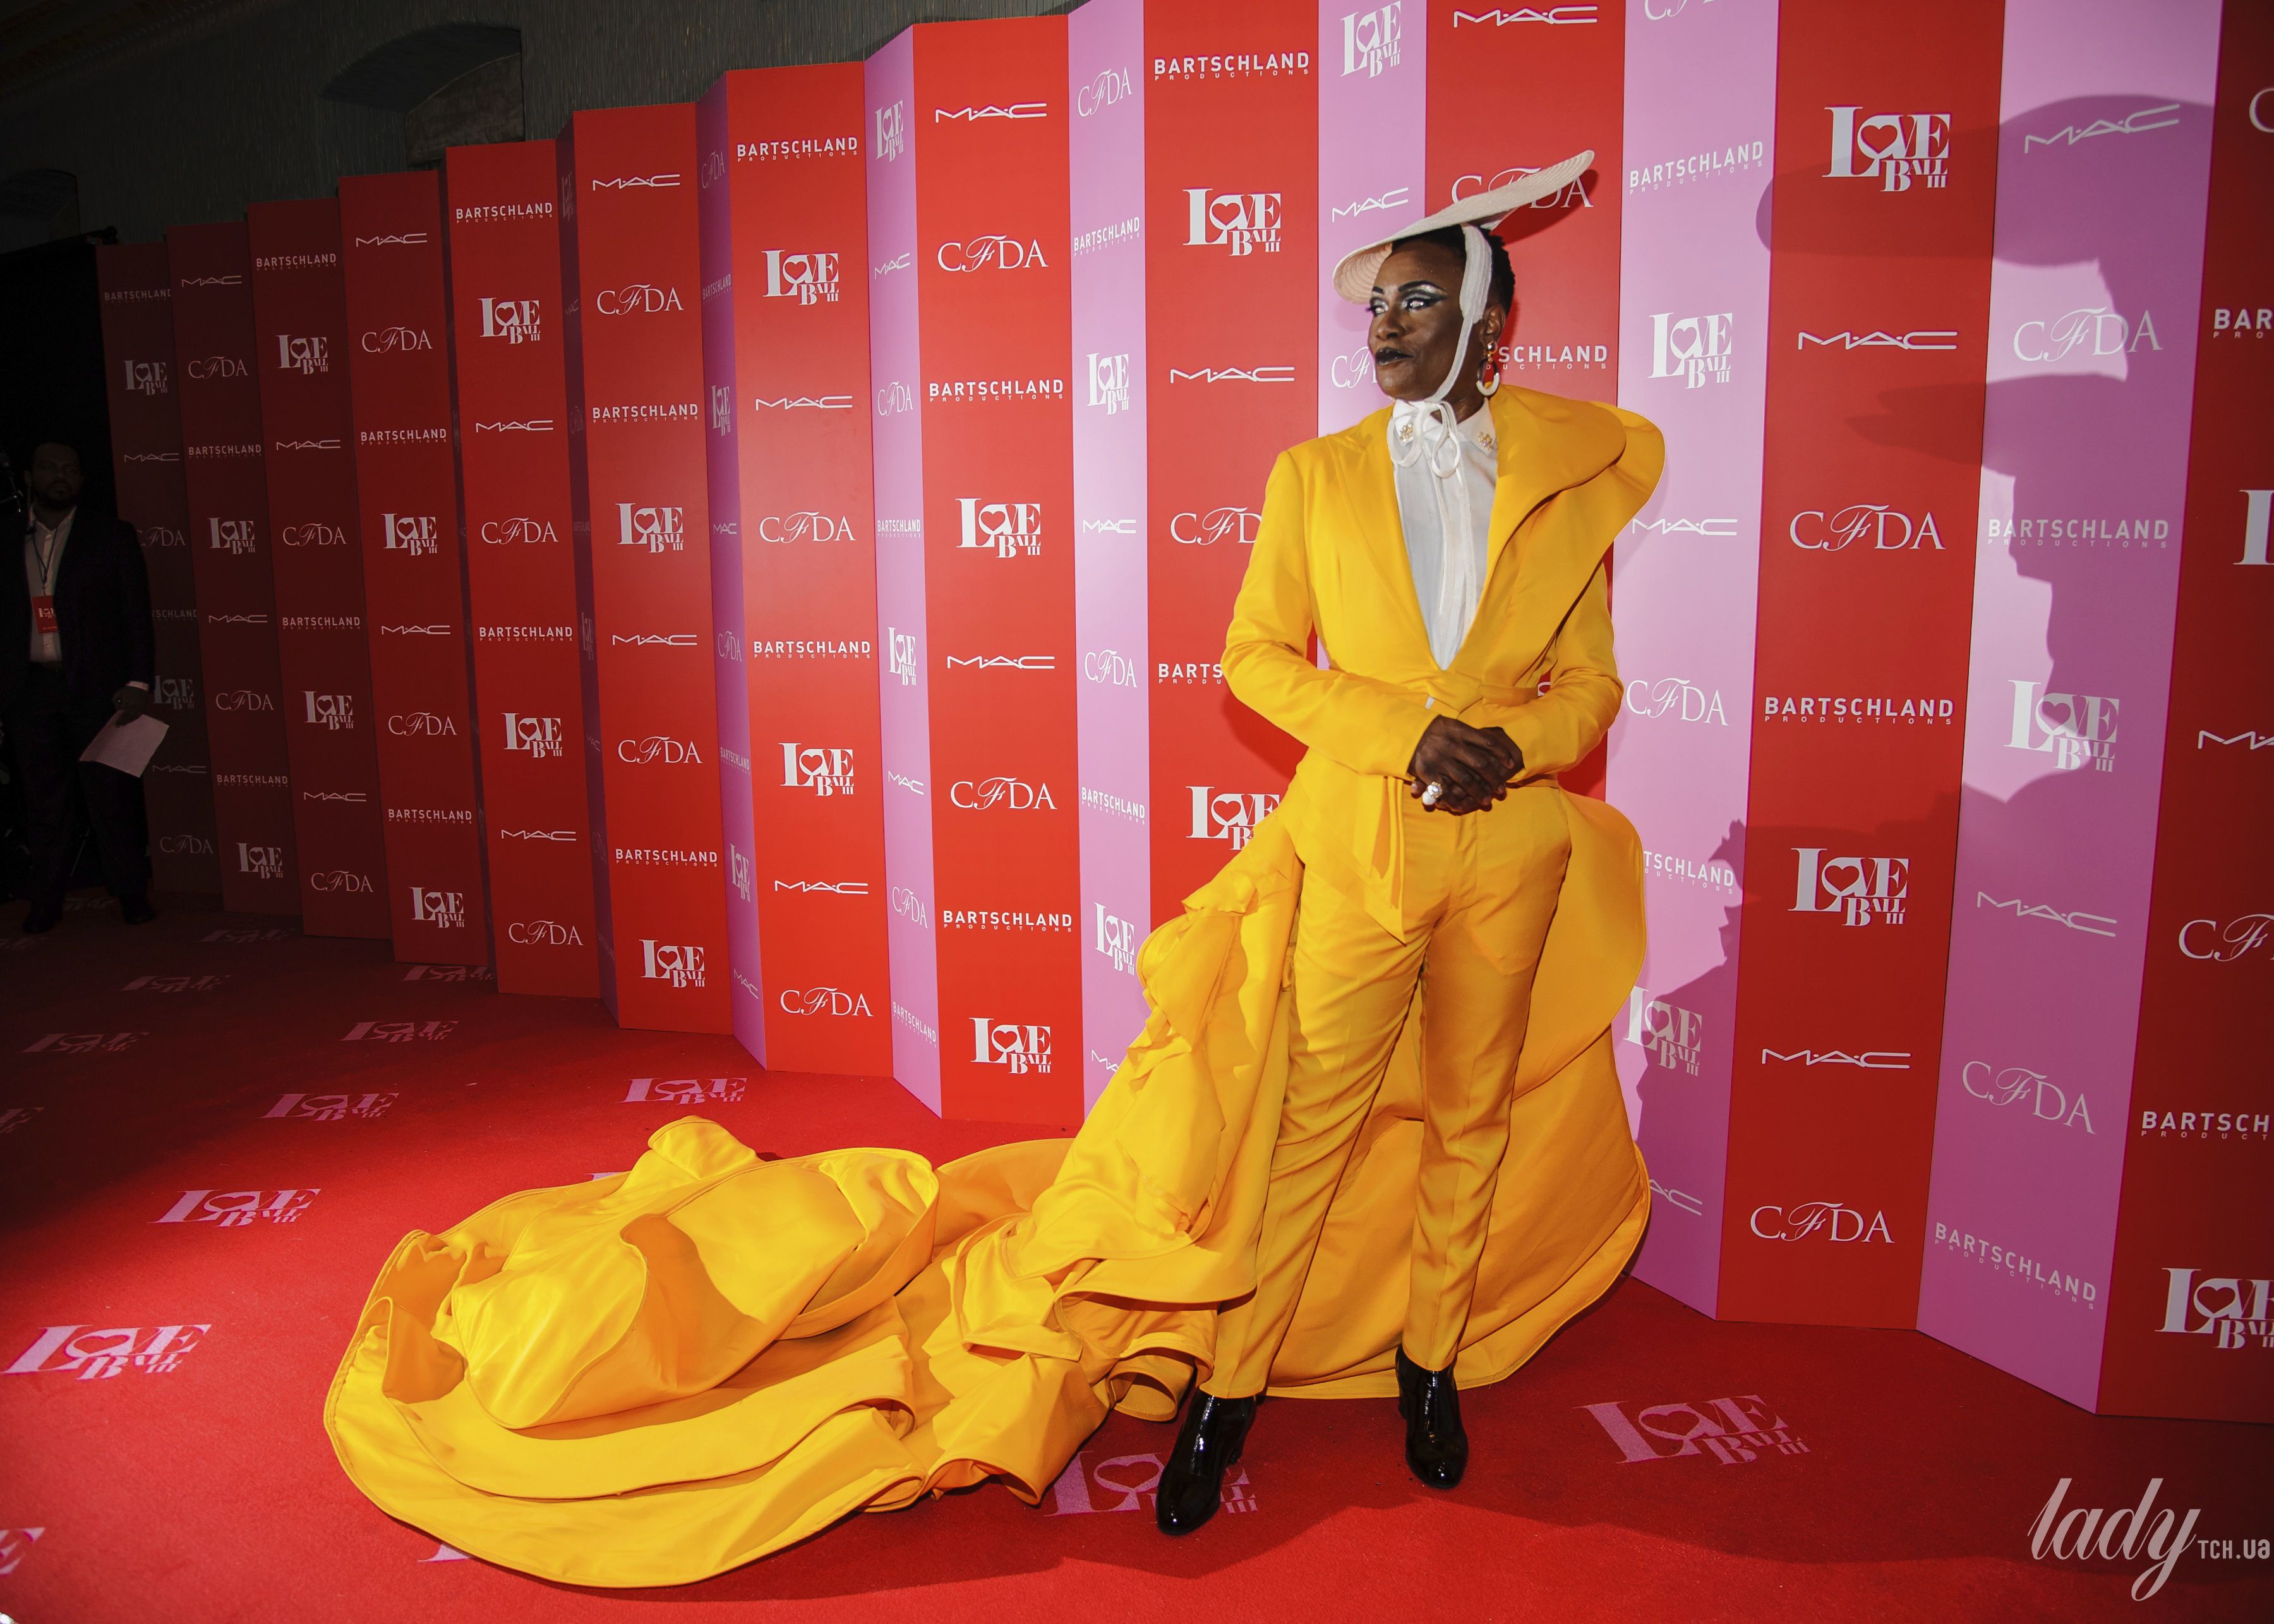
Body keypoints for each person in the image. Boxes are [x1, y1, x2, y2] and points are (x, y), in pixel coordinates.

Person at [323, 155, 1662, 1587]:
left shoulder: (1564, 481)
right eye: (1377, 302)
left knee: (1470, 1120)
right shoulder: (1315, 476)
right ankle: (1228, 1396)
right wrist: (1405, 735)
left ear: (1489, 322)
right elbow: (1255, 659)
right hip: (1358, 852)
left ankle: (1431, 1369)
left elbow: (1591, 685)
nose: (1384, 322)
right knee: (1295, 1141)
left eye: (1417, 300)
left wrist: (1513, 745)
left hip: (1508, 859)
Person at [0, 439, 157, 932]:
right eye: (49, 468)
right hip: (29, 690)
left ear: (82, 481)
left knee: (112, 796)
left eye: (69, 469)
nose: (60, 476)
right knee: (43, 803)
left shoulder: (110, 536)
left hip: (97, 687)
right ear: (29, 477)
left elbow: (136, 613)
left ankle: (132, 894)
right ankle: (46, 902)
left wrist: (138, 681)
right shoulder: (7, 537)